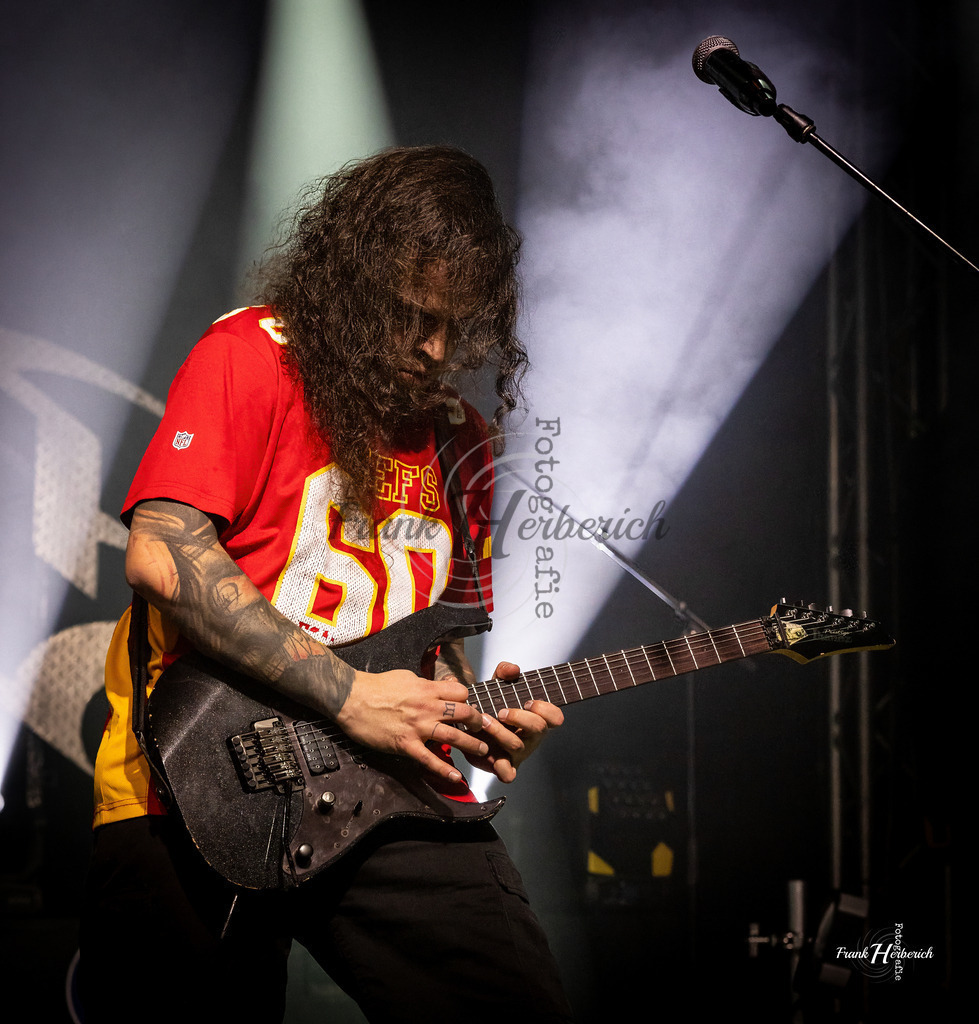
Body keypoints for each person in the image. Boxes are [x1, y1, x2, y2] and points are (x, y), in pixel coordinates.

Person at [79, 146, 573, 1023]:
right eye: (413, 316)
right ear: (351, 281)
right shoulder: (252, 355)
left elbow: (437, 651)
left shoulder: (465, 443)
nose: (433, 350)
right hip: (190, 775)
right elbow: (161, 554)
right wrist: (347, 694)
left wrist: (477, 719)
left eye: (455, 328)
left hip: (391, 795)